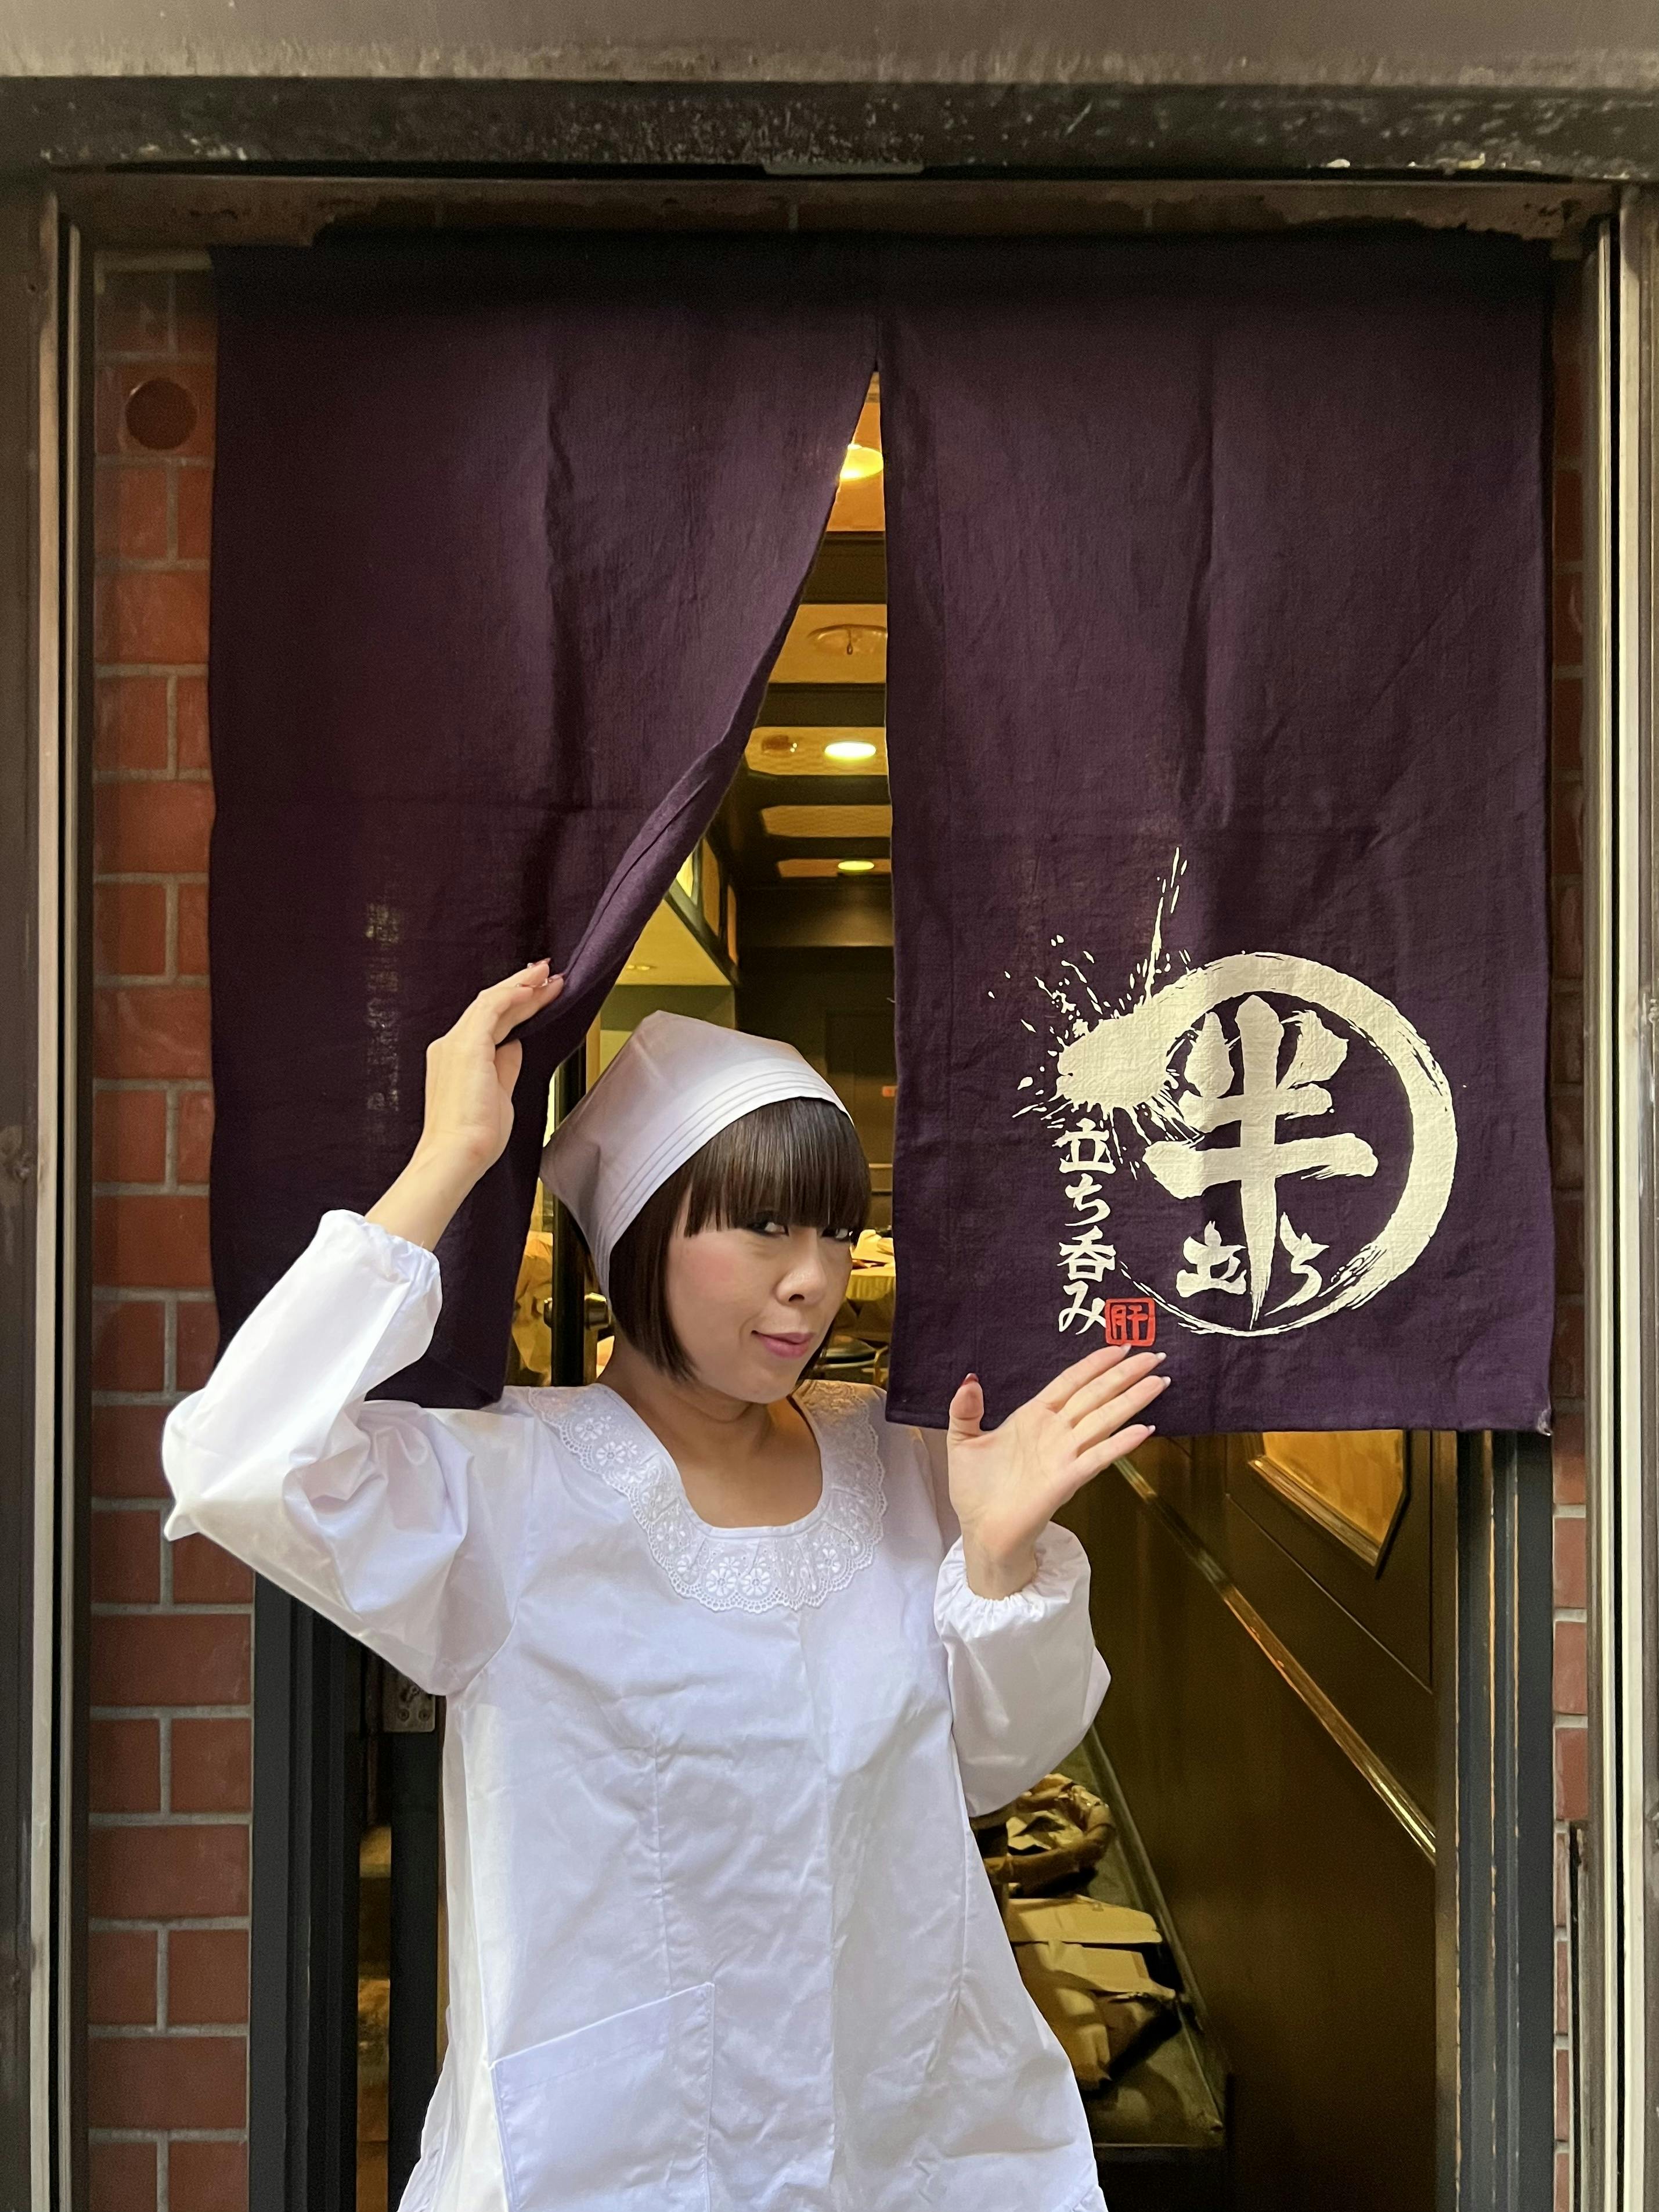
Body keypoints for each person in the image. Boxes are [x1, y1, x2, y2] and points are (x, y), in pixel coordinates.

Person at [162, 960, 1170, 2212]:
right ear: (641, 1236)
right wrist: (451, 1158)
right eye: (763, 1227)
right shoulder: (514, 1484)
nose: (812, 1278)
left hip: (899, 2123)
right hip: (624, 2149)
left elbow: (992, 1761)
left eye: (835, 1229)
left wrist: (998, 1556)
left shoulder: (902, 1457)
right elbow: (238, 1463)